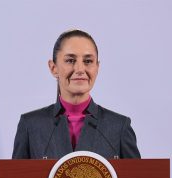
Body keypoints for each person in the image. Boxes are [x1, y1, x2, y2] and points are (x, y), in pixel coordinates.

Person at [12, 29, 141, 159]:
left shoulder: (119, 127)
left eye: (88, 61)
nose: (80, 69)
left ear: (97, 67)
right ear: (53, 68)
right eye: (70, 60)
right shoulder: (30, 125)